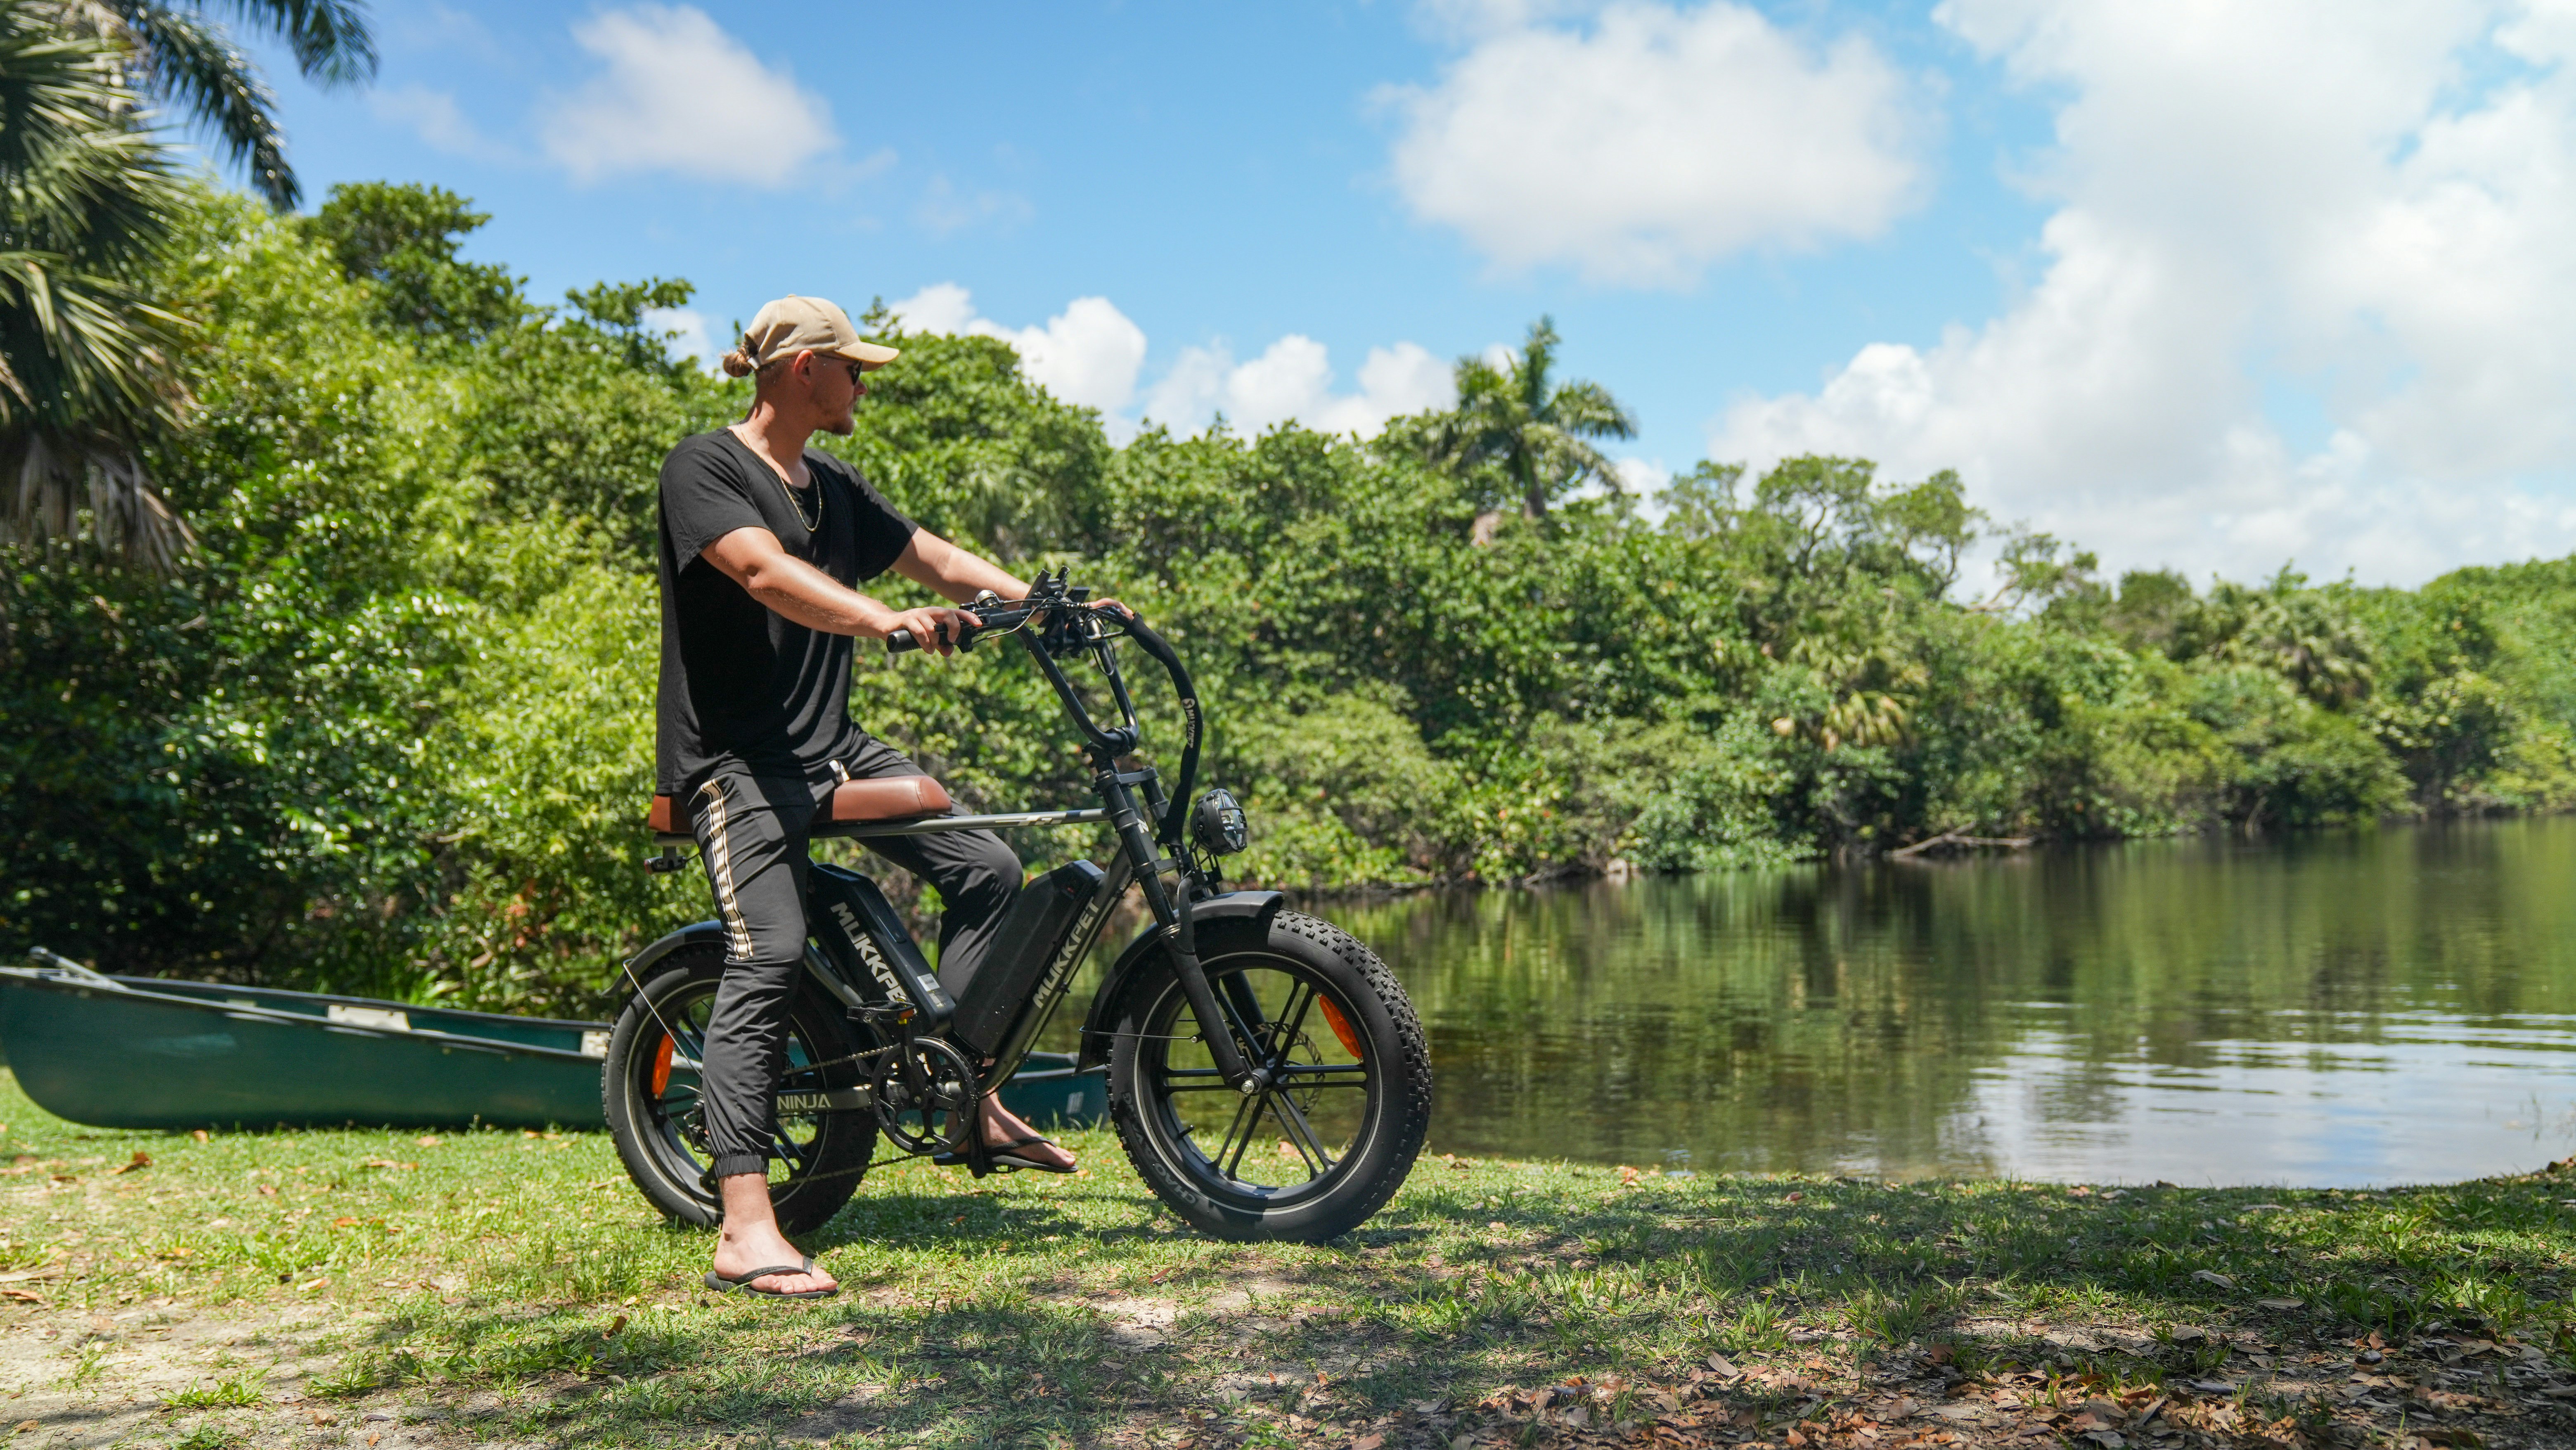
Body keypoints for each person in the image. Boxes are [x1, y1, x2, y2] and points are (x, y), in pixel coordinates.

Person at [655, 295, 1082, 1300]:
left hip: (832, 748)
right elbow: (761, 573)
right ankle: (745, 1226)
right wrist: (883, 620)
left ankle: (968, 1096)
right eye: (855, 368)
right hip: (736, 766)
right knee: (771, 951)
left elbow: (931, 556)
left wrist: (1046, 604)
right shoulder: (705, 468)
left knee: (986, 867)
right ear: (805, 369)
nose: (864, 384)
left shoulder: (832, 483)